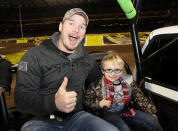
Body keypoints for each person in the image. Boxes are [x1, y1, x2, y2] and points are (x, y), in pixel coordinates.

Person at [14, 8, 119, 131]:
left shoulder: (86, 59)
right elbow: (21, 100)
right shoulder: (34, 56)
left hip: (78, 118)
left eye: (82, 26)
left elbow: (102, 78)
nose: (76, 29)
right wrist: (54, 103)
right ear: (60, 26)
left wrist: (121, 80)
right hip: (40, 121)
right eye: (71, 23)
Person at [84, 50, 163, 131]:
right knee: (125, 129)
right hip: (108, 113)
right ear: (103, 71)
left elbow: (139, 97)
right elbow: (87, 101)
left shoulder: (128, 81)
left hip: (126, 109)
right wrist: (99, 104)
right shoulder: (97, 85)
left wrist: (150, 112)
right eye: (109, 70)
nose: (113, 74)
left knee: (152, 121)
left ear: (122, 70)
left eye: (117, 70)